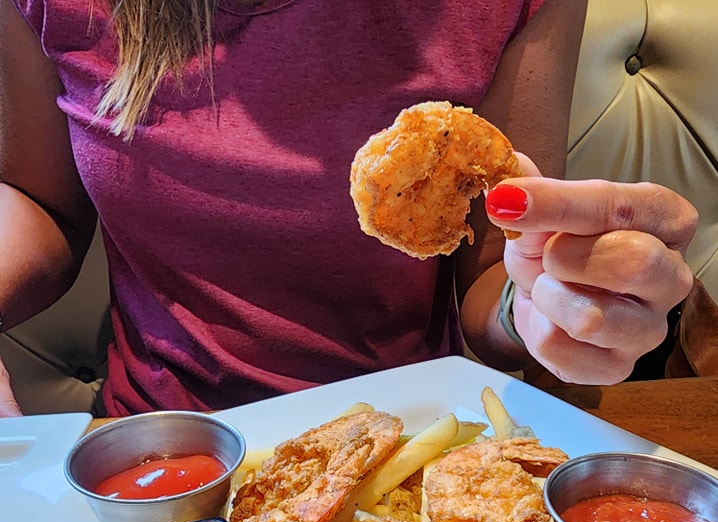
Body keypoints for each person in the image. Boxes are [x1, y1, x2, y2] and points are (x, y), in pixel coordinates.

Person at [0, 0, 698, 419]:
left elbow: (493, 265)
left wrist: (546, 300)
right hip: (161, 445)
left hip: (407, 439)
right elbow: (39, 204)